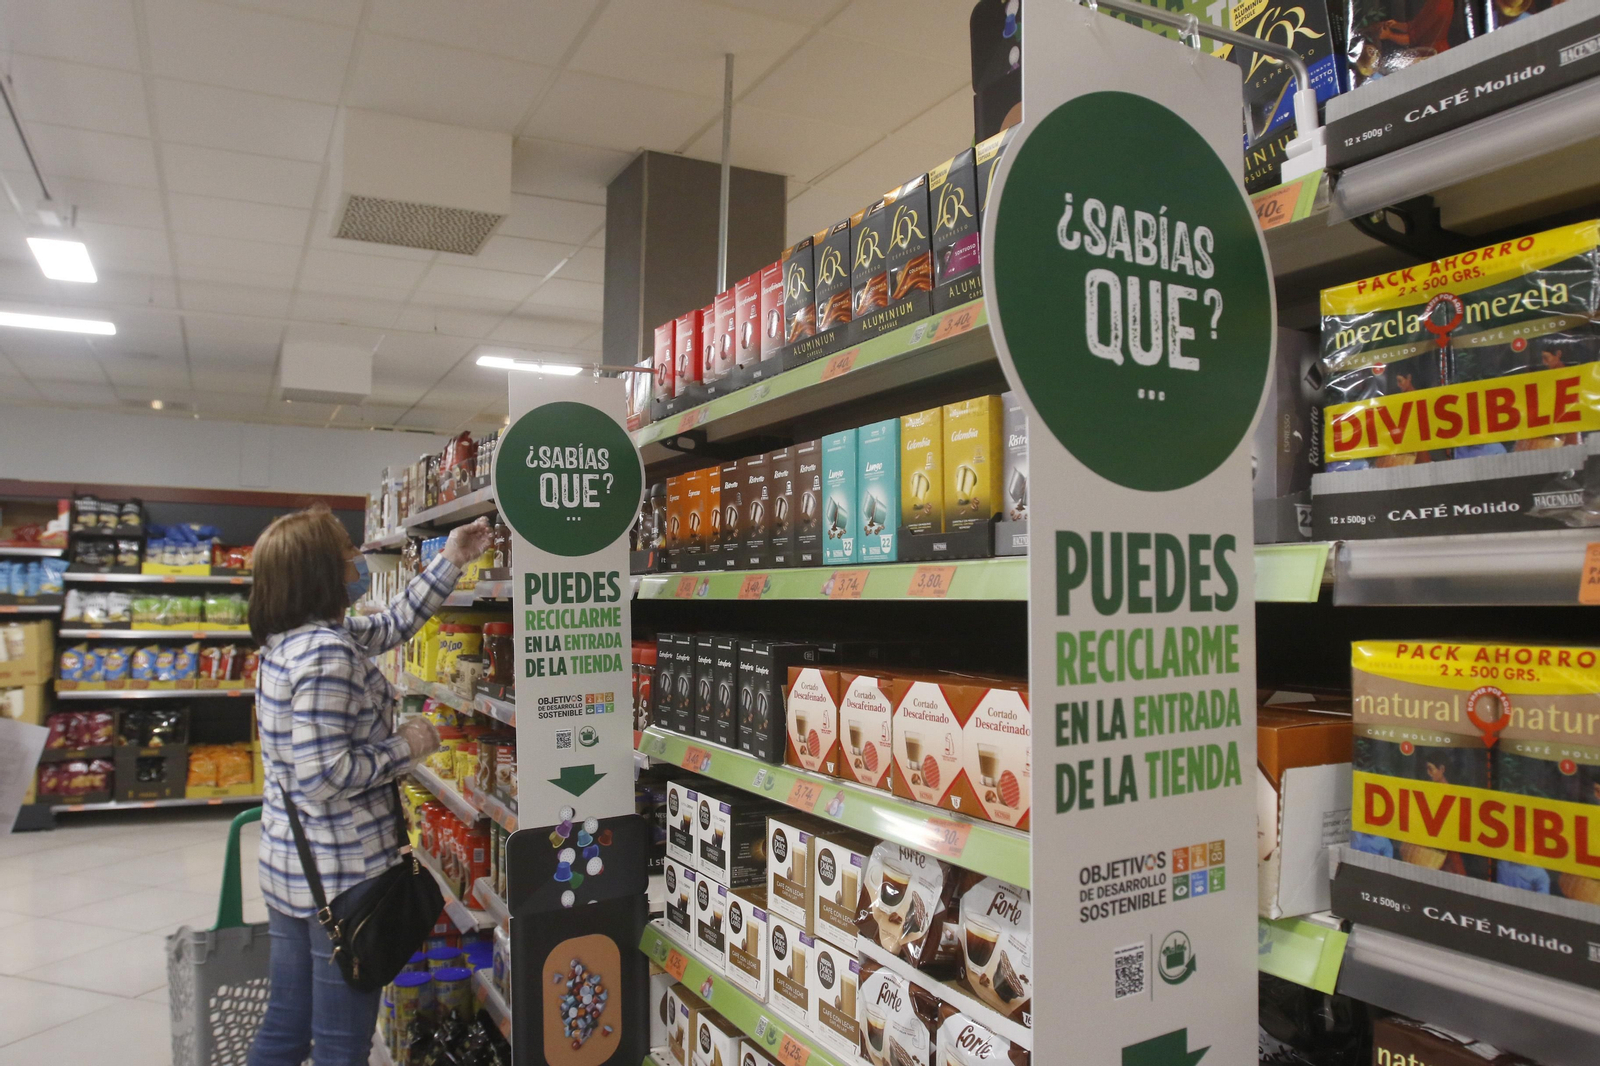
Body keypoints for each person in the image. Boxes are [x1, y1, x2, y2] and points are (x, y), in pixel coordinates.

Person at [246, 507, 492, 1066]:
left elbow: (390, 625)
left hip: (292, 865)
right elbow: (326, 775)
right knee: (340, 1043)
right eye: (345, 554)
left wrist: (452, 558)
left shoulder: (295, 640)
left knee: (285, 1022)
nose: (356, 560)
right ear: (320, 571)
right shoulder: (325, 655)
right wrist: (411, 745)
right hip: (342, 877)